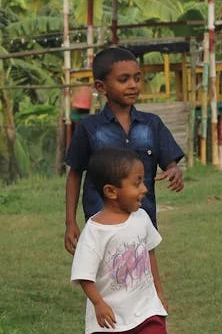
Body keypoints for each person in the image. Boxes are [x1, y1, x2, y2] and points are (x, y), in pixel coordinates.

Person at [64, 47, 184, 255]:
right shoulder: (89, 128)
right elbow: (74, 174)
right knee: (108, 281)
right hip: (102, 225)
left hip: (142, 221)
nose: (133, 85)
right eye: (123, 80)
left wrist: (174, 170)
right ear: (101, 87)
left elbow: (170, 162)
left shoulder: (152, 124)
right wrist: (70, 222)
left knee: (143, 274)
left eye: (137, 79)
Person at [71, 147, 171, 334]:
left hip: (147, 309)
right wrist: (98, 302)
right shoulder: (95, 231)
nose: (145, 189)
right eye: (137, 183)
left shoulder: (142, 218)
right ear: (111, 191)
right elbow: (84, 274)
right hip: (110, 319)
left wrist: (158, 292)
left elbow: (150, 254)